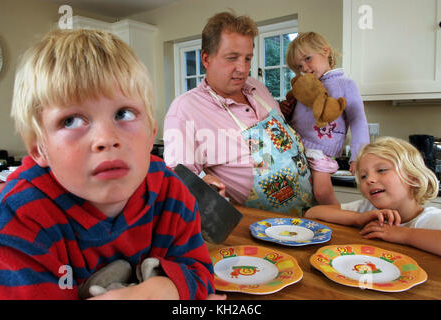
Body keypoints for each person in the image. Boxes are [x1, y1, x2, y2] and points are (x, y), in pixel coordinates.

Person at [0, 29, 219, 300]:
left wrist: (160, 290)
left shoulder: (171, 193)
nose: (106, 139)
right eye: (71, 121)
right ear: (40, 149)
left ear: (151, 134)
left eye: (123, 113)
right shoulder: (19, 215)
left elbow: (201, 275)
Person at [164, 11, 314, 216]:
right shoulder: (185, 109)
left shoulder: (258, 87)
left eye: (247, 58)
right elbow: (176, 180)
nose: (242, 69)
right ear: (206, 59)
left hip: (309, 213)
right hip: (257, 227)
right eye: (232, 58)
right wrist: (201, 185)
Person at [305, 136, 441, 256]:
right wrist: (357, 219)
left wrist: (404, 234)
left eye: (381, 170)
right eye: (363, 176)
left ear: (414, 178)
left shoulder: (430, 219)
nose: (369, 180)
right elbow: (312, 213)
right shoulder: (367, 209)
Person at [282, 32, 369, 205]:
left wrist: (358, 155)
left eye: (307, 59)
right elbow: (300, 117)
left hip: (320, 150)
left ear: (325, 51)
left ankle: (339, 221)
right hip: (295, 146)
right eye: (299, 67)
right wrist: (285, 110)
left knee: (322, 193)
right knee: (299, 192)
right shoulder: (305, 87)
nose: (304, 68)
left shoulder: (345, 84)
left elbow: (358, 120)